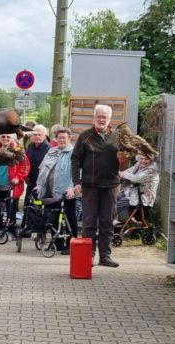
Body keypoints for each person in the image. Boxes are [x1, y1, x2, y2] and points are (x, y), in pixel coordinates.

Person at [71, 104, 121, 268]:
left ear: (109, 119)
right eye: (98, 117)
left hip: (111, 186)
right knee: (89, 223)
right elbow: (75, 159)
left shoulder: (117, 137)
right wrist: (76, 182)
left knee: (107, 222)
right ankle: (88, 256)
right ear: (94, 118)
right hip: (90, 186)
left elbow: (126, 157)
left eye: (104, 117)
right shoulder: (85, 136)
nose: (101, 120)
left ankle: (105, 256)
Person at [34, 128, 79, 255]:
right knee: (53, 216)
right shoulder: (51, 151)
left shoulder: (73, 152)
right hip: (51, 190)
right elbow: (42, 169)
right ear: (56, 139)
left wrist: (72, 188)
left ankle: (72, 243)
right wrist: (39, 185)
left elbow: (76, 173)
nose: (62, 140)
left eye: (64, 137)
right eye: (59, 137)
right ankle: (57, 243)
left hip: (66, 191)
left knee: (70, 218)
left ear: (69, 139)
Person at [0, 130, 29, 236]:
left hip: (11, 184)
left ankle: (11, 228)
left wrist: (18, 177)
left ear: (12, 138)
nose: (5, 139)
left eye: (8, 136)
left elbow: (25, 167)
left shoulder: (18, 150)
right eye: (3, 136)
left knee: (11, 208)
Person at [119, 154, 160, 224]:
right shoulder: (138, 165)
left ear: (151, 160)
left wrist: (123, 174)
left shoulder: (152, 170)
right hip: (132, 194)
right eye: (141, 158)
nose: (143, 161)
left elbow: (137, 179)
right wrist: (121, 173)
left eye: (146, 159)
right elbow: (129, 171)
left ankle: (118, 226)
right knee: (114, 198)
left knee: (116, 205)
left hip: (142, 199)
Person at [25, 125, 50, 205]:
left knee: (37, 203)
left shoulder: (48, 148)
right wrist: (26, 176)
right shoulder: (30, 146)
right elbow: (26, 162)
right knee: (28, 202)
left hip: (42, 181)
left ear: (45, 136)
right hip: (30, 179)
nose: (37, 136)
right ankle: (27, 216)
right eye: (35, 134)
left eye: (39, 135)